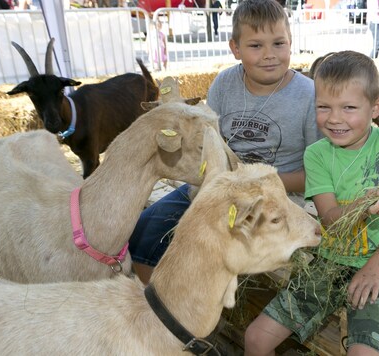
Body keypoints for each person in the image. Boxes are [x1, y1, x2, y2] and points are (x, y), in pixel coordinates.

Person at [128, 0, 322, 284]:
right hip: (214, 185)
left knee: (217, 250)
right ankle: (158, 308)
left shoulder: (309, 95)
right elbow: (208, 145)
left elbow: (316, 176)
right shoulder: (224, 84)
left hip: (275, 197)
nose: (269, 55)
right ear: (235, 48)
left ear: (291, 43)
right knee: (144, 229)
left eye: (279, 43)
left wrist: (257, 182)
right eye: (256, 46)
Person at [244, 51, 379, 356]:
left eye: (349, 107)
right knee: (255, 339)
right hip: (331, 260)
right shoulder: (316, 155)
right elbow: (330, 220)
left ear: (376, 107)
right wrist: (360, 207)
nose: (335, 118)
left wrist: (374, 267)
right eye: (323, 107)